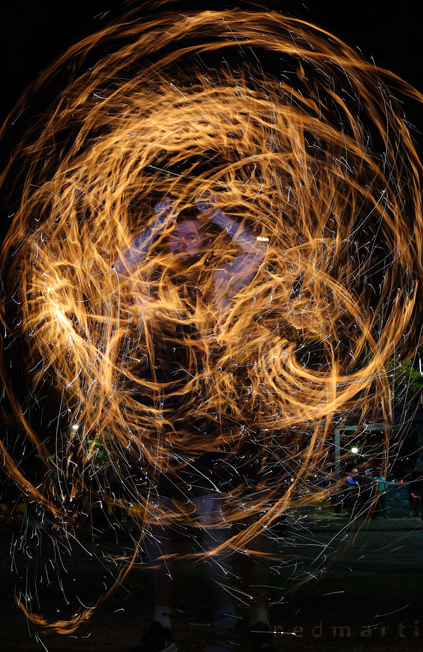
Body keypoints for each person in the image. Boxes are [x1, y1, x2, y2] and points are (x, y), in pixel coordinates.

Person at [115, 193, 274, 652]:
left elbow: (257, 252)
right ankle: (163, 627)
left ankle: (227, 624)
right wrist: (157, 222)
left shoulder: (218, 283)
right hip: (163, 422)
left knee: (214, 528)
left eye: (192, 236)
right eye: (176, 237)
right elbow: (119, 270)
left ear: (203, 243)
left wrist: (217, 215)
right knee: (159, 528)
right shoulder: (150, 285)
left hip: (211, 421)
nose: (184, 243)